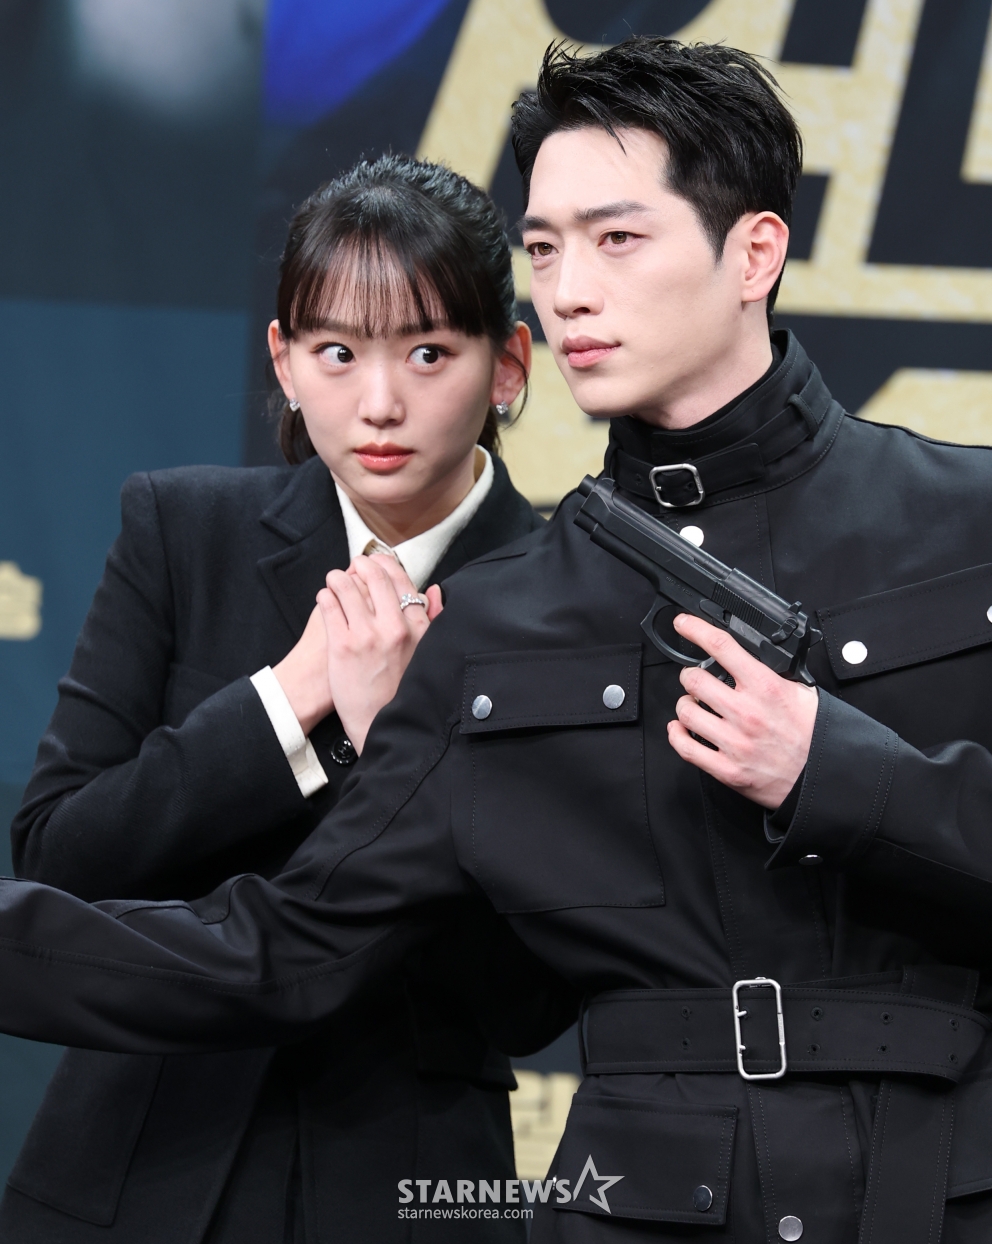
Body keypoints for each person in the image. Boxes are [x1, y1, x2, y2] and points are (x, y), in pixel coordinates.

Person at [0, 35, 992, 1243]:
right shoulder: (497, 615)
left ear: (754, 251)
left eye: (615, 238)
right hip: (647, 1207)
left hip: (963, 1186)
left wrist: (842, 774)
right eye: (543, 249)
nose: (568, 288)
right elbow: (285, 949)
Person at [1, 154, 577, 1243]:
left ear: (507, 364)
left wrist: (391, 742)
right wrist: (288, 694)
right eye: (337, 352)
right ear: (284, 360)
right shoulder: (184, 533)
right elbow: (62, 857)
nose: (379, 403)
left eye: (428, 352)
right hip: (131, 1163)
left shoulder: (570, 607)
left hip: (405, 1184)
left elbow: (528, 998)